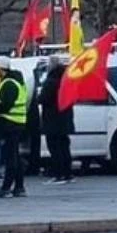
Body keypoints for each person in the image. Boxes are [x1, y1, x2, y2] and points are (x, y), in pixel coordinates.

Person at [0, 56, 28, 198]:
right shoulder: (15, 82)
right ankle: (19, 187)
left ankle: (6, 187)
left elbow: (5, 105)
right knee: (15, 156)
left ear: (1, 69)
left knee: (10, 158)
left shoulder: (9, 84)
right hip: (16, 123)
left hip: (9, 124)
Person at [38, 56, 74, 184]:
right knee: (64, 147)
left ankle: (59, 174)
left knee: (54, 148)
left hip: (53, 120)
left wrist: (38, 97)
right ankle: (68, 174)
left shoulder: (51, 81)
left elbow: (43, 98)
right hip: (65, 119)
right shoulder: (66, 79)